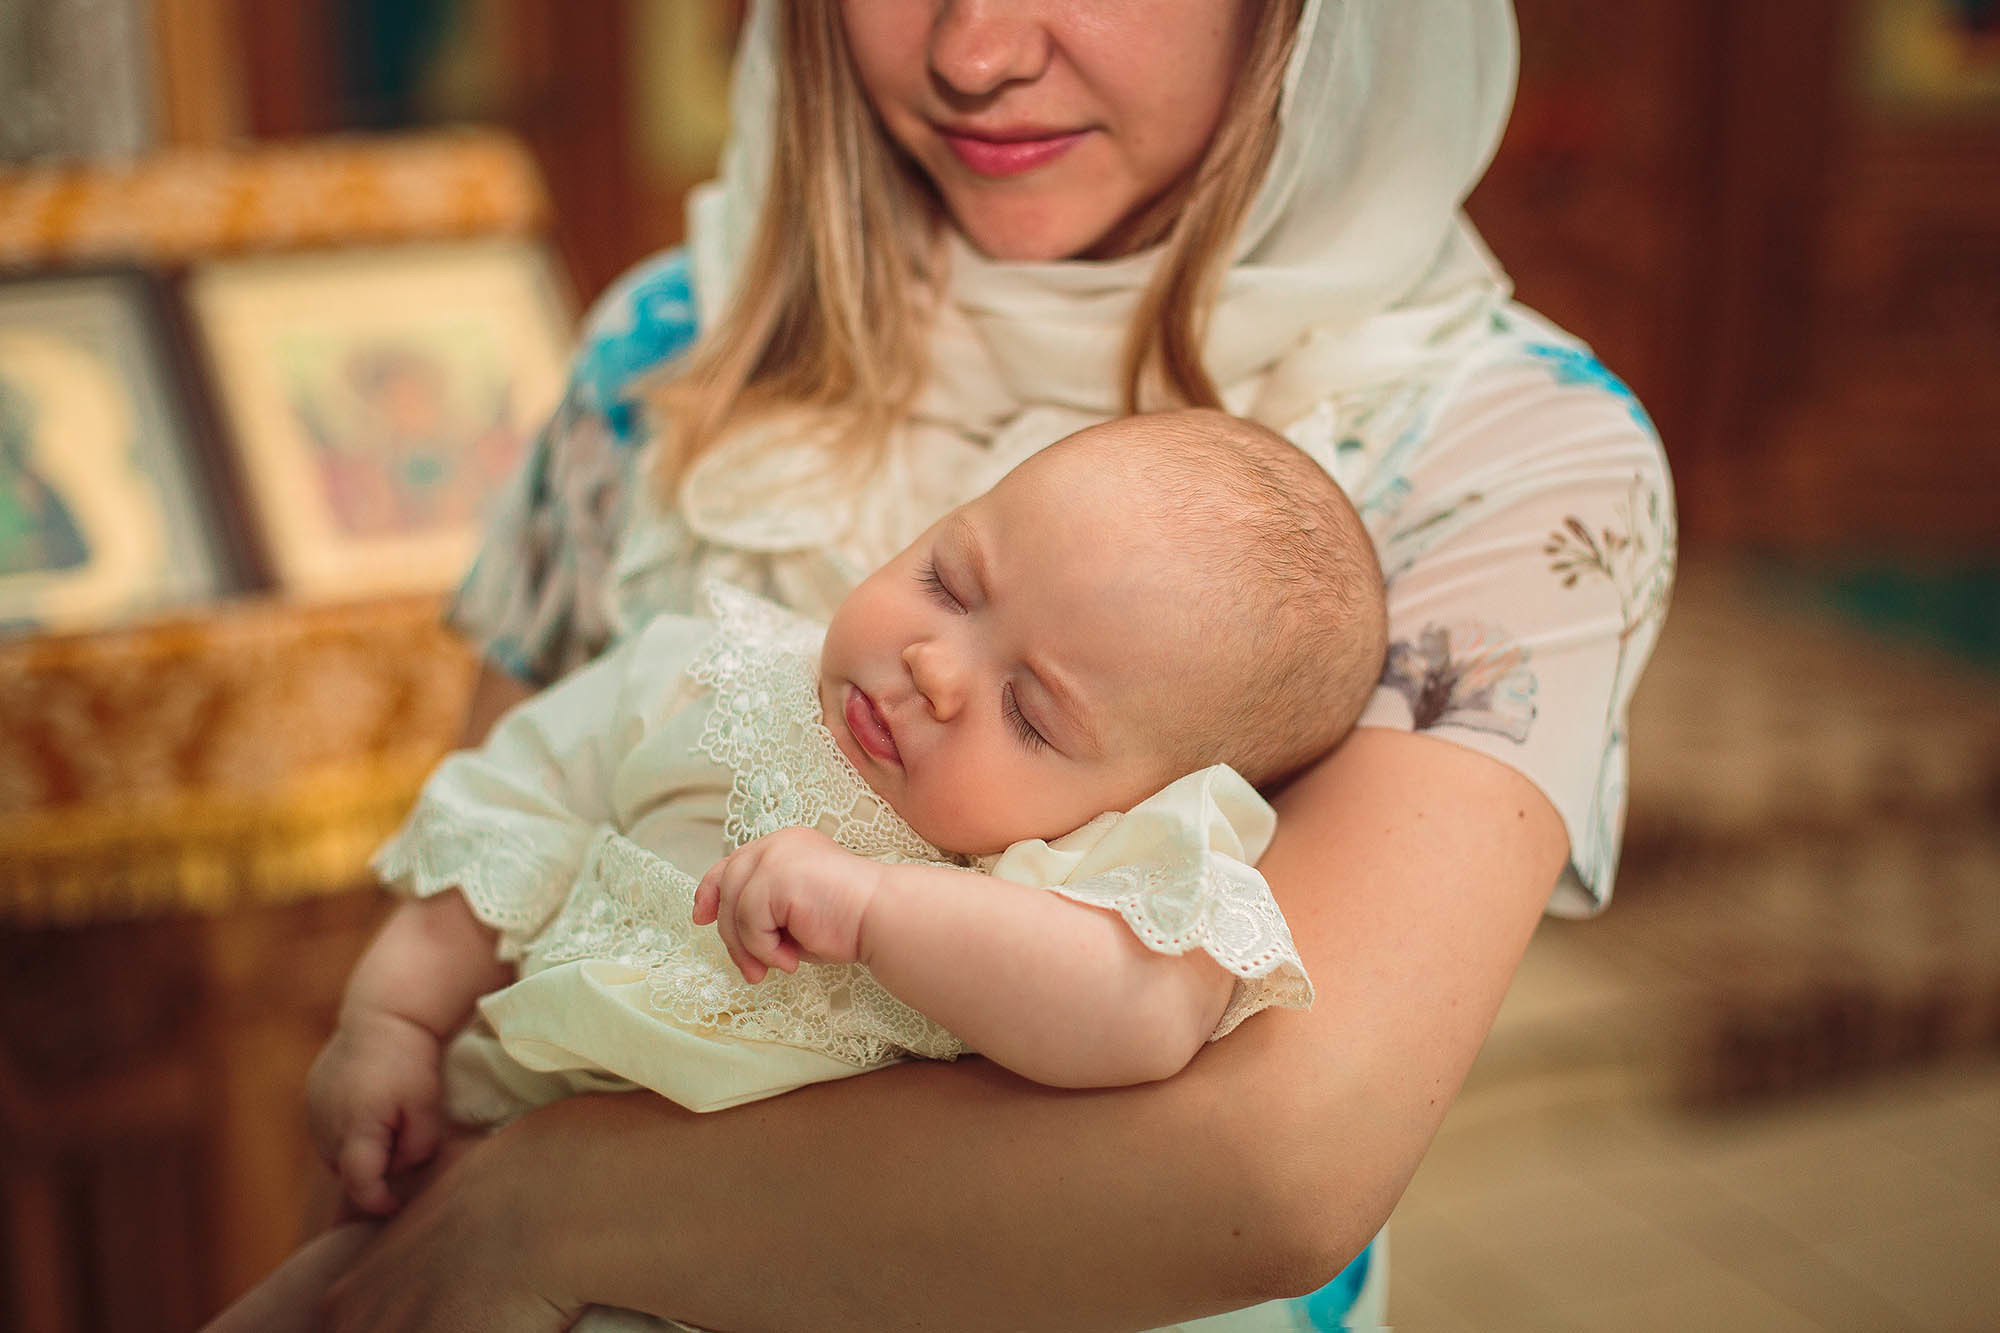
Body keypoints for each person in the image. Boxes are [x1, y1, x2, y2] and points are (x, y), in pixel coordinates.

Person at [312, 3, 1674, 1330]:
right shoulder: (672, 343)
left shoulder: (1500, 451)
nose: (977, 52)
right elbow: (486, 857)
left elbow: (1269, 1166)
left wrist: (542, 1213)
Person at [206, 411, 1384, 1333]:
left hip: (794, 1274)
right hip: (488, 1167)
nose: (931, 666)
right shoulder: (696, 673)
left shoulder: (1087, 862)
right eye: (949, 581)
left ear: (1151, 794)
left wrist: (881, 909)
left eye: (1030, 711)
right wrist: (392, 1020)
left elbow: (1130, 1017)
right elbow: (510, 813)